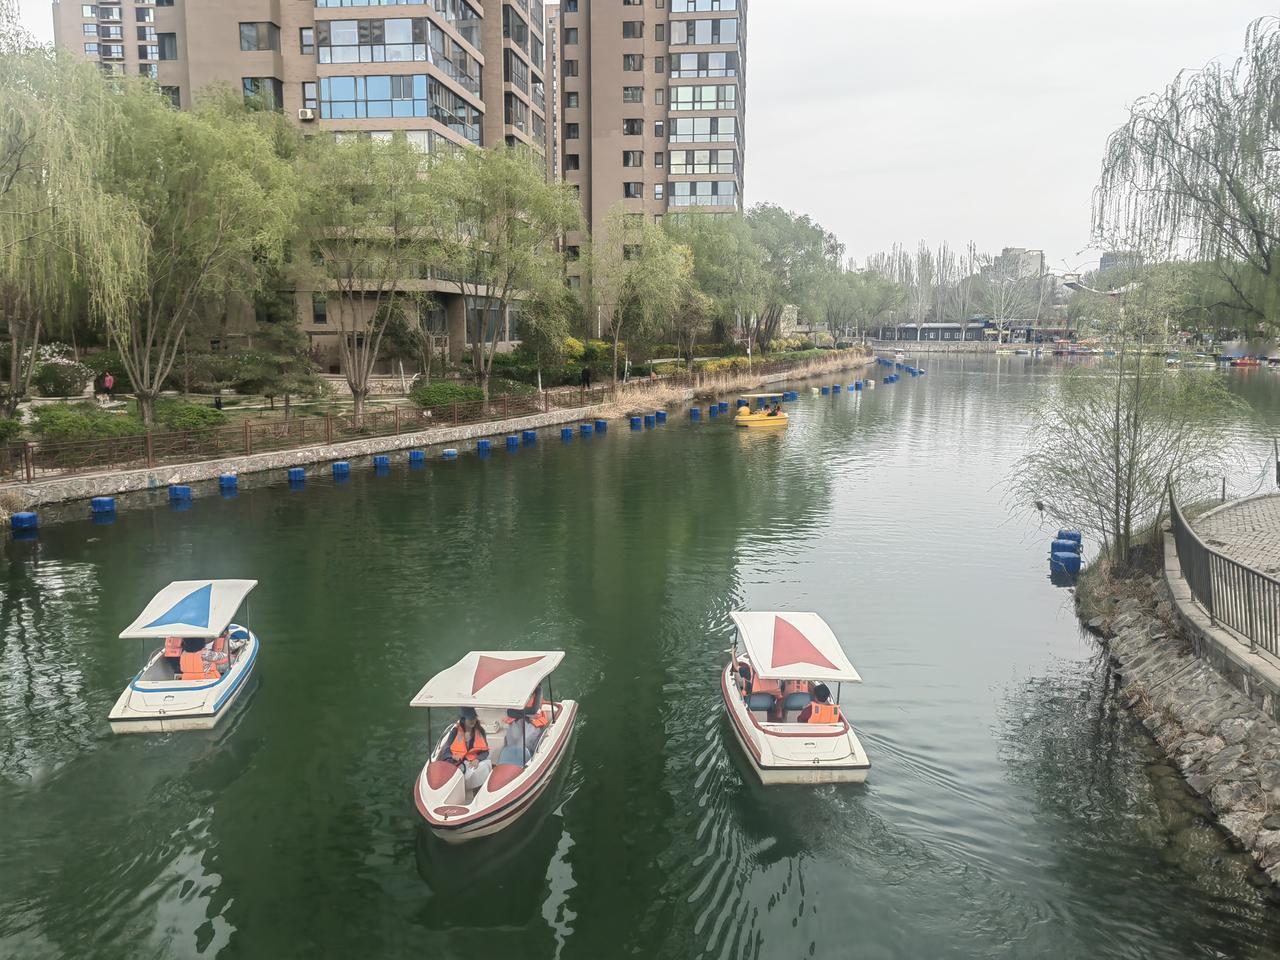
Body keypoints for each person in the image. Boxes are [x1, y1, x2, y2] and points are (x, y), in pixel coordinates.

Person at [440, 707, 491, 795]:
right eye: (470, 719)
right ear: (463, 720)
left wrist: (478, 759)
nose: (473, 721)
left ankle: (478, 790)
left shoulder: (480, 731)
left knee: (485, 766)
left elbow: (485, 752)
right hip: (458, 762)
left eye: (474, 718)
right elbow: (446, 750)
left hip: (473, 762)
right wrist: (452, 756)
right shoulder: (455, 732)